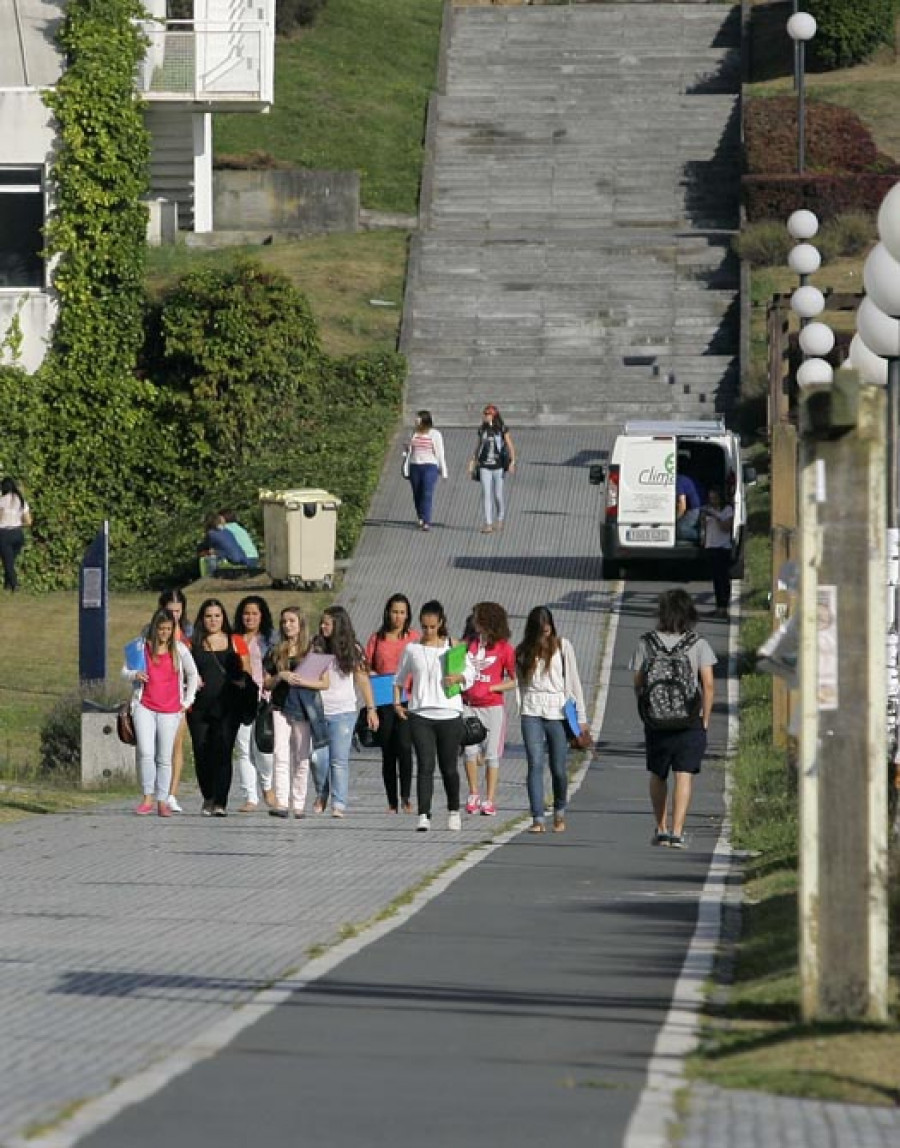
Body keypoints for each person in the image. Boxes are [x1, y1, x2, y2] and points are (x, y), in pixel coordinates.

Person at [630, 589, 716, 848]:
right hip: (689, 719)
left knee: (658, 773)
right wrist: (705, 719)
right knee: (684, 774)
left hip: (657, 721)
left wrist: (647, 710)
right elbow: (708, 684)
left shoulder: (646, 642)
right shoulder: (698, 644)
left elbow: (638, 681)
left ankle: (661, 828)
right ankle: (678, 832)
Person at [393, 600, 476, 833]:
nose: (428, 631)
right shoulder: (412, 649)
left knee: (449, 766)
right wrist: (397, 702)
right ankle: (423, 814)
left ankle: (453, 810)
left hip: (449, 713)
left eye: (432, 626)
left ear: (441, 623)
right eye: (424, 627)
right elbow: (399, 678)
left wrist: (458, 678)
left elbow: (471, 673)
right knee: (425, 765)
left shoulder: (454, 647)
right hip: (420, 713)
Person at [516, 606, 588, 835]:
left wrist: (582, 719)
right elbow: (519, 683)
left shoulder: (563, 647)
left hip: (557, 712)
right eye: (541, 629)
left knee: (558, 767)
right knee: (535, 763)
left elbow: (574, 682)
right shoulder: (522, 651)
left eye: (548, 627)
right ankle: (537, 817)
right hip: (531, 711)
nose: (545, 632)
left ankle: (559, 811)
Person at [122, 609, 199, 818]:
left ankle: (163, 800)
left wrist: (187, 700)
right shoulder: (142, 647)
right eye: (161, 628)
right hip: (145, 706)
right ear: (154, 628)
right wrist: (134, 674)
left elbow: (193, 675)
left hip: (170, 709)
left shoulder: (180, 650)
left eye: (168, 629)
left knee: (164, 756)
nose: (164, 633)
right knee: (146, 752)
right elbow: (124, 670)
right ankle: (147, 796)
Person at [186, 598, 252, 816]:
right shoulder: (191, 644)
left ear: (223, 618)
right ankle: (208, 796)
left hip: (228, 707)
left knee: (223, 751)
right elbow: (181, 672)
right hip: (199, 708)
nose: (213, 620)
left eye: (217, 616)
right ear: (201, 619)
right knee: (202, 751)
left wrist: (242, 683)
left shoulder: (235, 641)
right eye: (208, 616)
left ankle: (221, 801)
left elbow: (247, 672)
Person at [263, 607, 330, 819]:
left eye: (291, 621)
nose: (287, 625)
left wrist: (303, 681)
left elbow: (324, 683)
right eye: (284, 621)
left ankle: (299, 803)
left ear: (300, 624)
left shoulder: (313, 650)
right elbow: (266, 683)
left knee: (301, 756)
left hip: (304, 707)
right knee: (280, 753)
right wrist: (281, 676)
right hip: (280, 706)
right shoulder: (275, 651)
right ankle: (282, 802)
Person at [311, 606, 378, 817]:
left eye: (327, 623)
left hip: (344, 712)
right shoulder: (317, 646)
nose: (323, 627)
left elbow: (363, 680)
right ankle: (322, 792)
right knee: (318, 759)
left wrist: (371, 709)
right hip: (319, 711)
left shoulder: (353, 649)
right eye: (322, 623)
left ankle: (338, 803)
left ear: (338, 625)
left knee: (338, 760)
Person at [364, 594, 420, 813]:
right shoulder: (377, 638)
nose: (398, 616)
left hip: (407, 699)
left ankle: (406, 796)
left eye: (402, 612)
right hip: (384, 700)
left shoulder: (414, 637)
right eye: (395, 611)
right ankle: (391, 801)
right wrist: (375, 676)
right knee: (388, 751)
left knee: (405, 747)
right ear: (388, 612)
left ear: (408, 615)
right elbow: (366, 666)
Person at [462, 601, 517, 816]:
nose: (474, 622)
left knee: (492, 754)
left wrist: (493, 687)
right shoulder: (469, 644)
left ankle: (490, 798)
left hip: (493, 708)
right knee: (469, 750)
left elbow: (515, 680)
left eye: (478, 618)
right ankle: (473, 792)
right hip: (469, 705)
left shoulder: (504, 648)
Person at [232, 595, 276, 811]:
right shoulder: (233, 638)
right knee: (243, 749)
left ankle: (268, 787)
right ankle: (250, 796)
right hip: (239, 700)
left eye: (254, 614)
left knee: (263, 749)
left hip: (262, 699)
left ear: (262, 616)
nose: (249, 617)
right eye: (246, 613)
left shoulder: (269, 640)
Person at [157, 588, 192, 813]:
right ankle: (157, 791)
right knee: (159, 745)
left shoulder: (189, 631)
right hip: (158, 695)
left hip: (181, 695)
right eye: (170, 611)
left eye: (178, 611)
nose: (174, 615)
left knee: (176, 744)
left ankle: (171, 793)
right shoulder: (153, 630)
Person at [469, 405, 516, 534]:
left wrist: (512, 462)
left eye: (487, 414)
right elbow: (478, 446)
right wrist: (473, 462)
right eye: (484, 414)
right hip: (485, 465)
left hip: (498, 466)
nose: (484, 416)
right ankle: (488, 523)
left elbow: (510, 446)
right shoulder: (482, 430)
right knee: (486, 493)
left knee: (497, 495)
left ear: (493, 416)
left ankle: (500, 518)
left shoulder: (501, 429)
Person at [406, 410, 447, 532]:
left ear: (424, 420)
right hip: (415, 465)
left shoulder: (435, 434)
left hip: (430, 466)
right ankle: (421, 516)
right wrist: (407, 448)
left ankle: (426, 521)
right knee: (417, 493)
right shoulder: (413, 433)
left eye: (418, 419)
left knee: (427, 493)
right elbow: (410, 451)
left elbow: (440, 453)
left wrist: (443, 470)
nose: (415, 421)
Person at [702, 488, 734, 619]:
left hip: (722, 547)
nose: (712, 501)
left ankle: (724, 607)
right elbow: (705, 526)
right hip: (711, 546)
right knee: (715, 579)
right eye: (710, 498)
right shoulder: (708, 509)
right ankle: (718, 607)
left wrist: (716, 515)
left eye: (714, 498)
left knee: (723, 578)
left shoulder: (727, 510)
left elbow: (726, 528)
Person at [0, 477, 31, 592]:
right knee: (10, 560)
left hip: (4, 534)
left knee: (8, 562)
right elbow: (29, 521)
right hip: (18, 534)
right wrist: (18, 522)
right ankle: (7, 585)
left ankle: (14, 584)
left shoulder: (2, 501)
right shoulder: (22, 501)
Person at [675, 452, 704, 543]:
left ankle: (703, 536)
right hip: (702, 505)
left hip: (696, 509)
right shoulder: (691, 476)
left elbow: (682, 506)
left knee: (680, 529)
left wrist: (674, 520)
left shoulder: (680, 480)